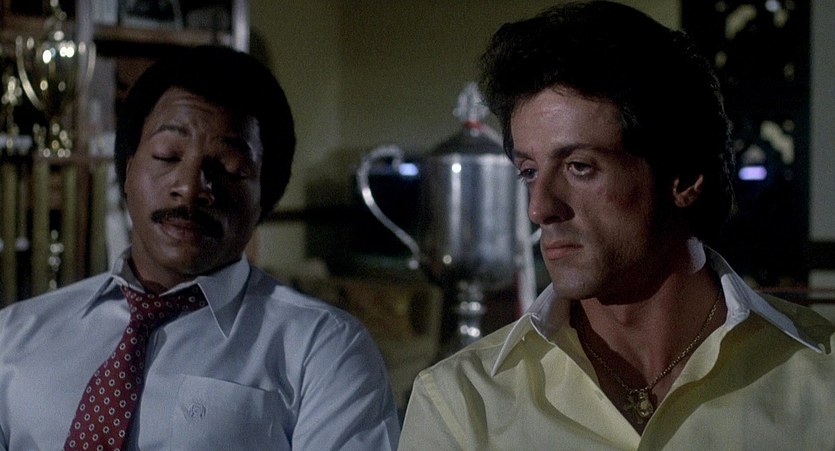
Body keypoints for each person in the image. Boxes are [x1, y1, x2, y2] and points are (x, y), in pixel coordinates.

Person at [398, 1, 835, 449]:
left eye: (579, 167)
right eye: (529, 171)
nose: (540, 208)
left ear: (683, 177)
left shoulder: (822, 382)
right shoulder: (464, 402)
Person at [0, 45, 400, 450]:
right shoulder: (14, 335)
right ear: (127, 168)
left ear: (266, 195)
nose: (191, 188)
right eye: (167, 156)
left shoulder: (323, 351)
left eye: (229, 168)